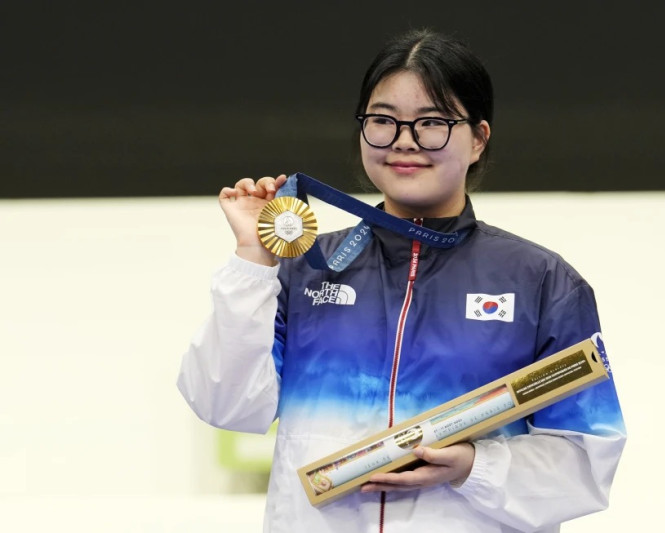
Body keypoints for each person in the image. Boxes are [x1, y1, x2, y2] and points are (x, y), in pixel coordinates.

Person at [177, 28, 626, 533]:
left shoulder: (542, 281)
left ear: (478, 139)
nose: (404, 142)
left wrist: (474, 467)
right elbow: (225, 404)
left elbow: (587, 461)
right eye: (383, 122)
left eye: (432, 122)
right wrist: (252, 260)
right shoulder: (306, 266)